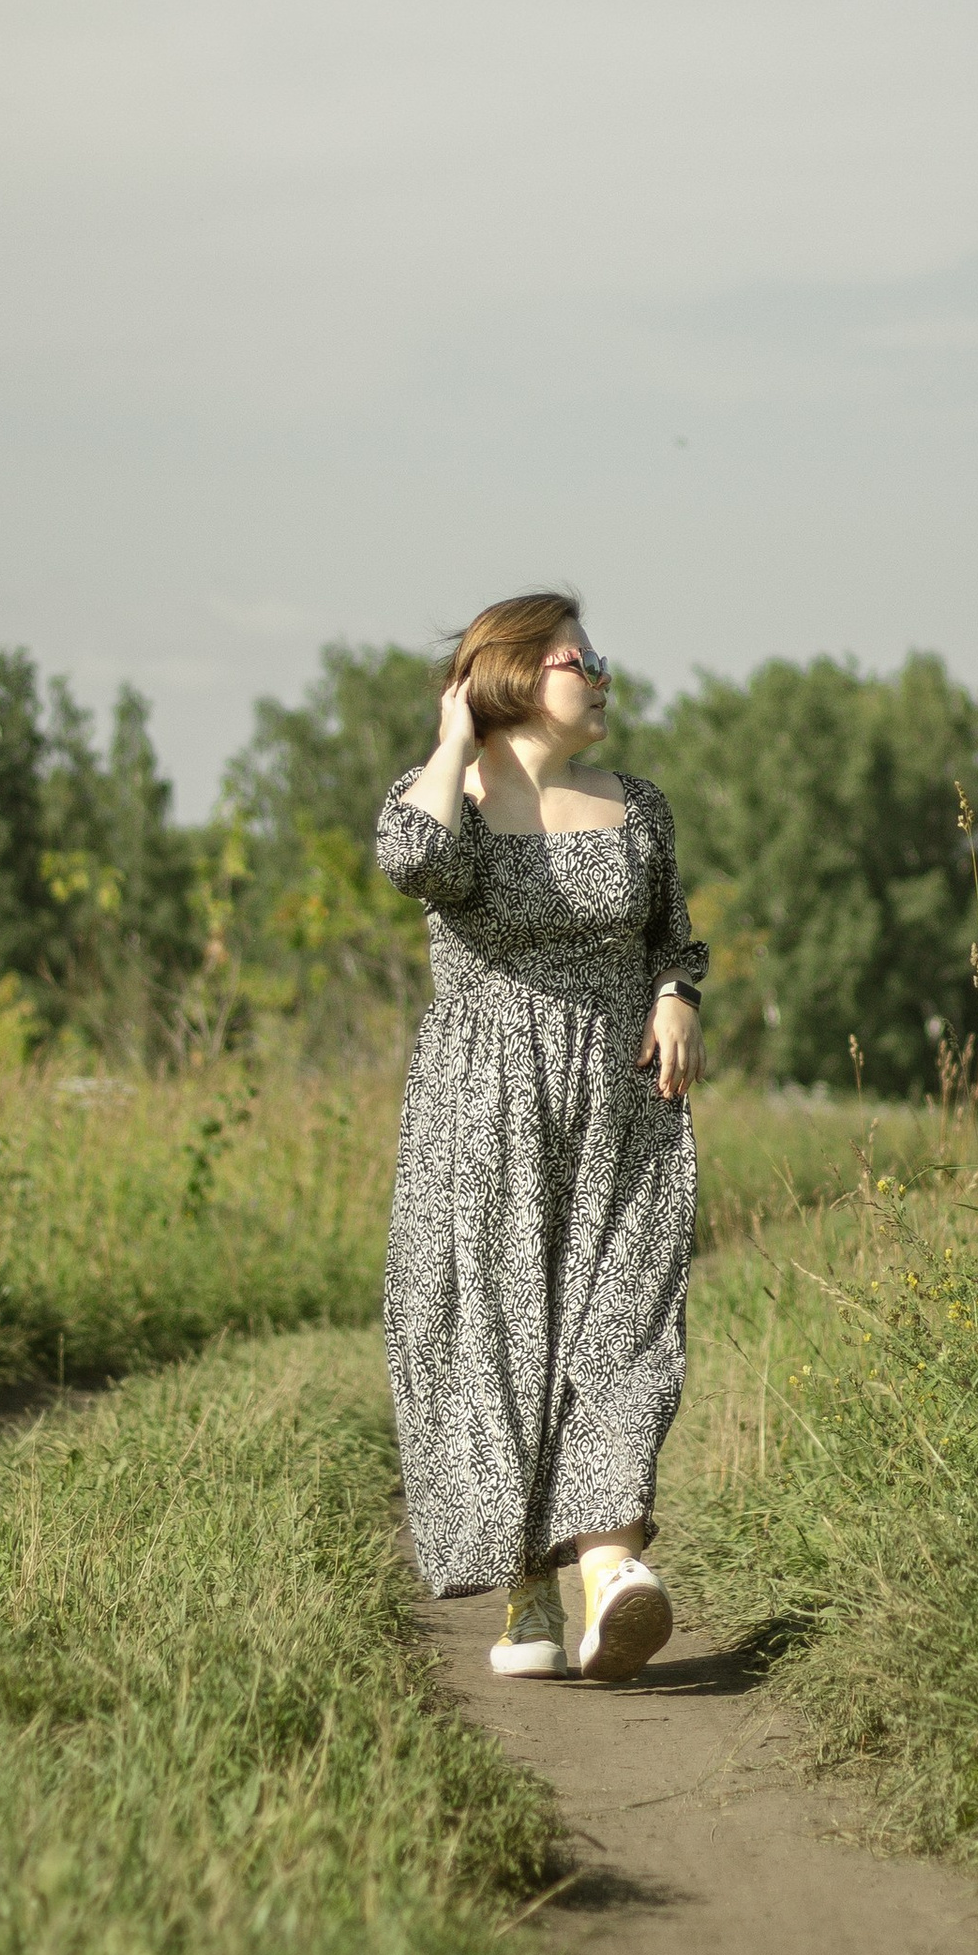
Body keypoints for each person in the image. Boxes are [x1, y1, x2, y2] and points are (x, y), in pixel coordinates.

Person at [374, 591, 708, 1684]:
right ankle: (527, 1590)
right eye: (580, 656)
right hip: (484, 1107)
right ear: (511, 673)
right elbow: (412, 863)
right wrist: (453, 736)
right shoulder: (446, 799)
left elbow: (672, 939)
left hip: (623, 1102)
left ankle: (609, 1569)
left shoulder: (639, 804)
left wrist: (672, 996)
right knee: (500, 1334)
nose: (603, 672)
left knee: (621, 1320)